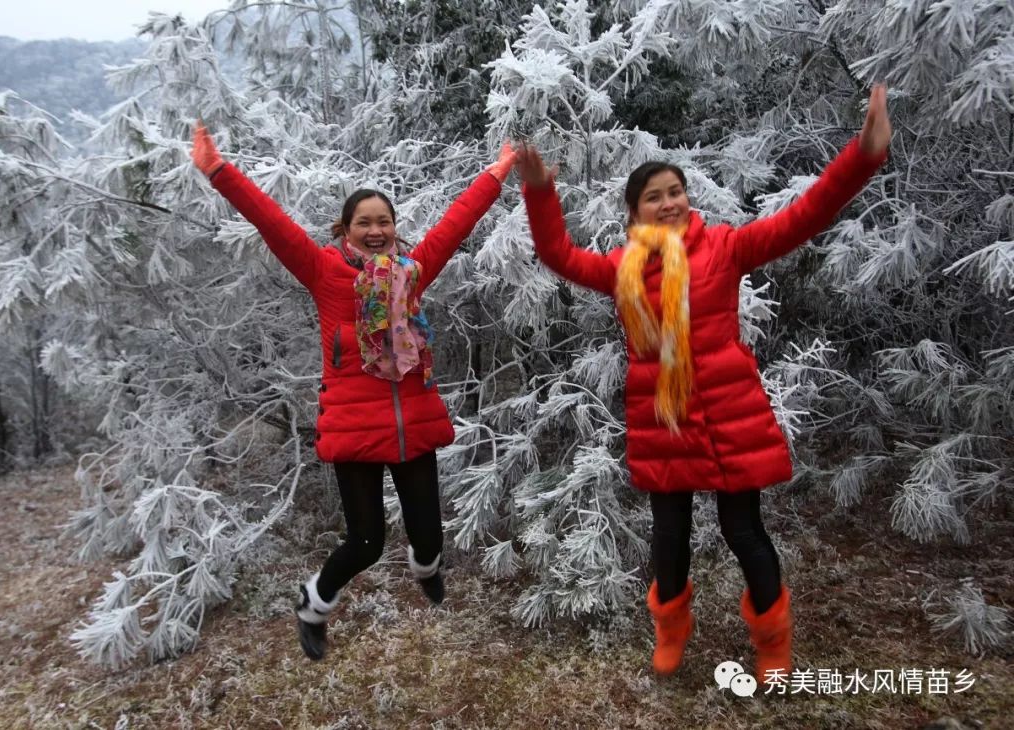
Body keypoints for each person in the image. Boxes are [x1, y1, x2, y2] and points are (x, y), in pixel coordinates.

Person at [515, 85, 891, 682]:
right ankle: (671, 631)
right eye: (654, 197)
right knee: (669, 538)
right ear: (634, 212)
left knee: (745, 532)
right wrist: (540, 192)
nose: (669, 203)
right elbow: (558, 253)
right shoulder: (621, 270)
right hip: (664, 421)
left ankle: (773, 643)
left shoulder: (725, 248)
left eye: (676, 192)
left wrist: (864, 155)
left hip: (729, 416)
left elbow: (807, 213)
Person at [191, 124, 515, 660]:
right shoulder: (323, 272)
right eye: (363, 222)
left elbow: (455, 225)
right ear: (345, 229)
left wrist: (496, 173)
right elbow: (270, 222)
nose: (374, 230)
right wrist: (219, 171)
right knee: (366, 542)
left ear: (394, 229)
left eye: (383, 221)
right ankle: (314, 604)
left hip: (410, 422)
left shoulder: (411, 273)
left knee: (429, 538)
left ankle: (427, 569)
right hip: (353, 428)